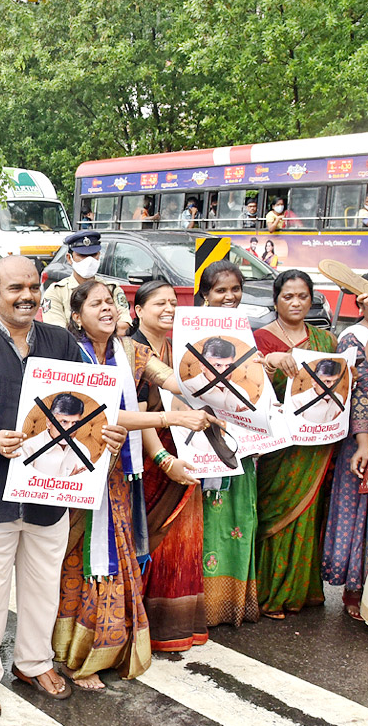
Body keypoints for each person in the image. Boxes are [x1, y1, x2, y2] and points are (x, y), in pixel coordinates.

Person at [0, 256, 99, 716]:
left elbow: (88, 404)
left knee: (43, 585)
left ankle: (33, 662)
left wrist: (104, 429)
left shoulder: (61, 342)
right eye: (14, 288)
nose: (26, 295)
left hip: (50, 491)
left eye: (33, 285)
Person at [53, 281, 215, 688]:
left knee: (117, 560)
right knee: (81, 561)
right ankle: (74, 656)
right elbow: (102, 415)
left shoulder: (132, 352)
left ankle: (107, 649)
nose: (107, 308)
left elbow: (175, 382)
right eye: (96, 304)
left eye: (111, 301)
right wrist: (170, 420)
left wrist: (222, 377)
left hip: (120, 479)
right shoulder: (71, 355)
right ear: (77, 316)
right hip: (79, 475)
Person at [253, 270, 337, 618]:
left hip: (316, 442)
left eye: (303, 296)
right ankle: (272, 593)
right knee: (276, 513)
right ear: (276, 301)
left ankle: (303, 590)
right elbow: (249, 385)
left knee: (308, 515)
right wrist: (269, 362)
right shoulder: (260, 339)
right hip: (280, 442)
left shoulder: (325, 341)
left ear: (311, 298)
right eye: (288, 296)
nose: (296, 302)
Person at [131, 279, 208, 652]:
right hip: (149, 460)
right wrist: (163, 460)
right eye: (159, 302)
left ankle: (174, 626)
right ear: (138, 310)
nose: (169, 308)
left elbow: (198, 391)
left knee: (182, 541)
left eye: (172, 301)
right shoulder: (134, 353)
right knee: (150, 541)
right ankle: (140, 625)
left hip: (186, 450)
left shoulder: (180, 351)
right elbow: (139, 413)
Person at [194, 261, 262, 626]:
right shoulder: (188, 330)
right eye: (221, 290)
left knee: (240, 516)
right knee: (206, 520)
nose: (229, 296)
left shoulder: (244, 331)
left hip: (240, 437)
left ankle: (233, 603)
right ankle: (203, 605)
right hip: (200, 440)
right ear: (206, 294)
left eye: (235, 289)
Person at [323, 272, 368, 619]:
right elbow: (361, 390)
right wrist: (364, 442)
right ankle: (356, 590)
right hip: (365, 437)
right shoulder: (356, 337)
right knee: (365, 512)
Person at [42, 230, 132, 334]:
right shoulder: (56, 292)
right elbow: (59, 334)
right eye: (82, 256)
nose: (89, 260)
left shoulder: (112, 288)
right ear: (69, 258)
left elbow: (123, 327)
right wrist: (105, 327)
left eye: (93, 255)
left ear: (99, 255)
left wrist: (77, 328)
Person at [16, 393, 95, 477]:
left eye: (75, 423)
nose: (70, 429)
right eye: (64, 422)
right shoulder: (28, 448)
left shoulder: (83, 451)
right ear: (49, 422)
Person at [181, 336, 256, 413]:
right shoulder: (187, 388)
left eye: (228, 366)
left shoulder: (241, 392)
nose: (224, 371)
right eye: (218, 365)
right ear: (203, 366)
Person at [288, 359, 345, 423]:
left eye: (336, 381)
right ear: (314, 382)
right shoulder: (298, 401)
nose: (332, 386)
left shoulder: (339, 398)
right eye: (327, 381)